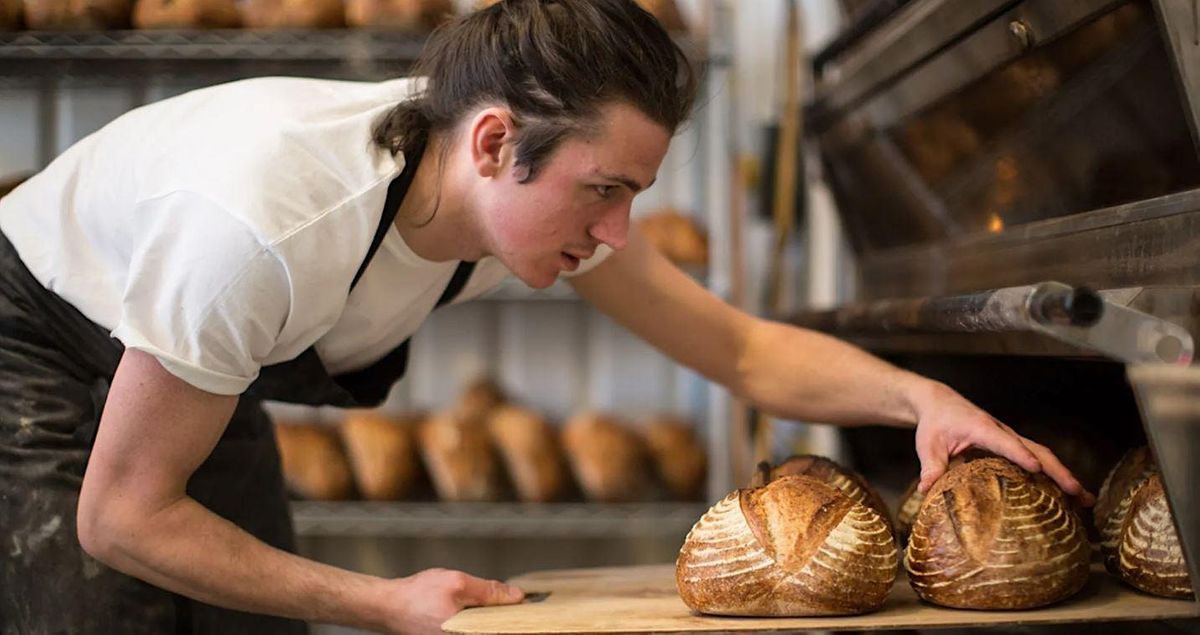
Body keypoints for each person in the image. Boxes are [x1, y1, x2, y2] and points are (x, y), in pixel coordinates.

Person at [0, 0, 1093, 633]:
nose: (618, 232)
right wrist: (386, 599)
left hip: (183, 347)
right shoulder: (267, 230)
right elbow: (123, 516)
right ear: (490, 143)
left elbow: (741, 348)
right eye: (603, 189)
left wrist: (926, 396)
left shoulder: (515, 205)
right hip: (36, 339)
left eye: (635, 195)